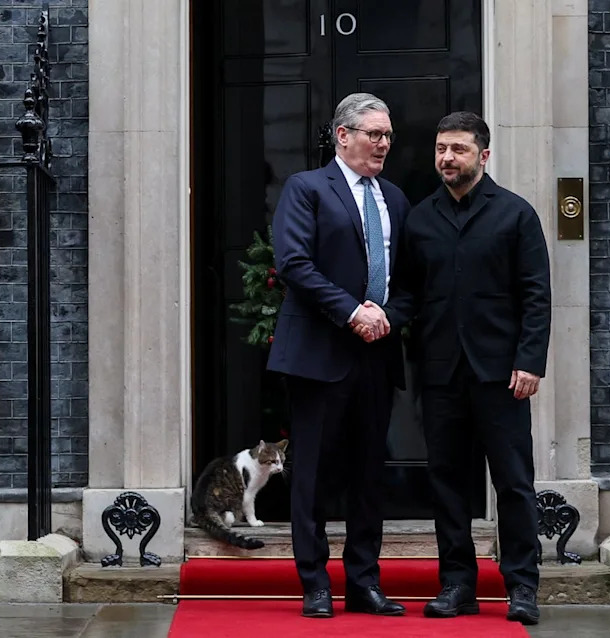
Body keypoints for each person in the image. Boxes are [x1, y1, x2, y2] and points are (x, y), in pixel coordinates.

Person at [360, 111, 551, 625]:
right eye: (441, 148)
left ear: (483, 156)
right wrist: (380, 318)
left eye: (458, 149)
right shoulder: (419, 219)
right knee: (446, 483)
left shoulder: (517, 215)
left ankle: (522, 587)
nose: (447, 157)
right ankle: (458, 586)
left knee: (513, 483)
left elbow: (536, 295)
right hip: (441, 374)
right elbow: (407, 294)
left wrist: (530, 361)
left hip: (501, 376)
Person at [267, 93, 411, 619]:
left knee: (368, 473)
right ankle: (314, 583)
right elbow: (295, 264)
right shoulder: (307, 189)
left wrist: (388, 315)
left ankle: (364, 581)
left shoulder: (395, 197)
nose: (383, 144)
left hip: (376, 354)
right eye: (374, 134)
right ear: (342, 135)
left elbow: (408, 276)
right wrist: (353, 312)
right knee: (312, 474)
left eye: (388, 135)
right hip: (318, 355)